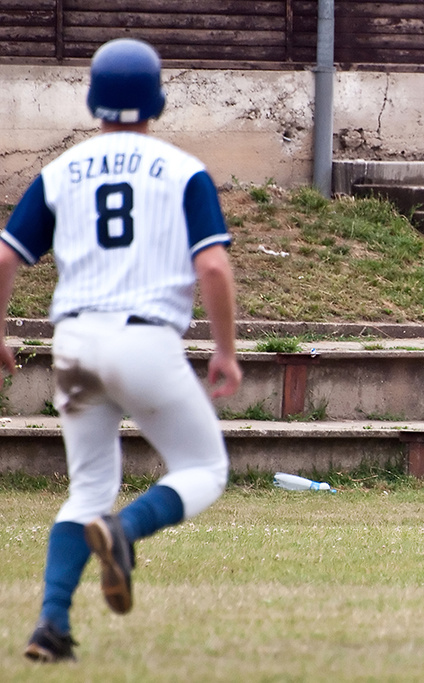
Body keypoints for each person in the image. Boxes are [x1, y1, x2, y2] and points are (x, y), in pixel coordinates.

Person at [1, 38, 243, 663]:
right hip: (144, 339)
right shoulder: (182, 168)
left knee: (85, 491)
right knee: (203, 469)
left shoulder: (61, 170)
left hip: (75, 342)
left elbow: (5, 254)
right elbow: (213, 266)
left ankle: (50, 626)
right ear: (157, 101)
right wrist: (225, 349)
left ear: (93, 100)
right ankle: (126, 531)